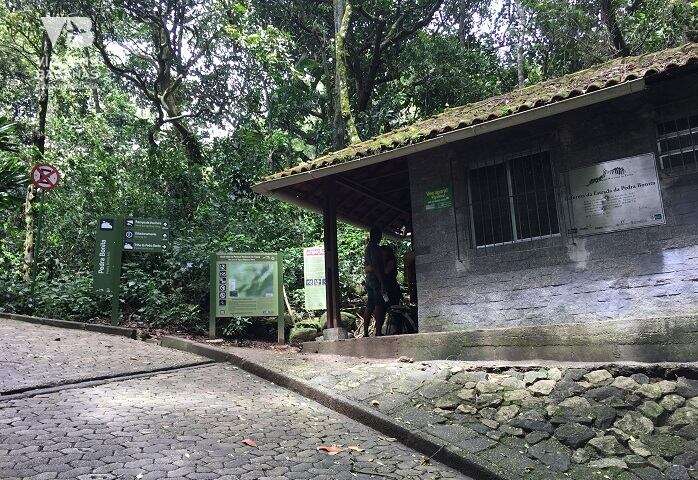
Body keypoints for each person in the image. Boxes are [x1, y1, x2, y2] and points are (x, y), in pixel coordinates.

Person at [363, 226, 386, 337]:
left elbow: (368, 266)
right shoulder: (375, 248)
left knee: (370, 304)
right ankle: (377, 331)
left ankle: (366, 332)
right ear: (376, 236)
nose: (381, 238)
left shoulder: (368, 248)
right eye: (380, 235)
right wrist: (381, 281)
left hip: (369, 279)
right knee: (378, 304)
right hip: (375, 279)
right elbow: (375, 266)